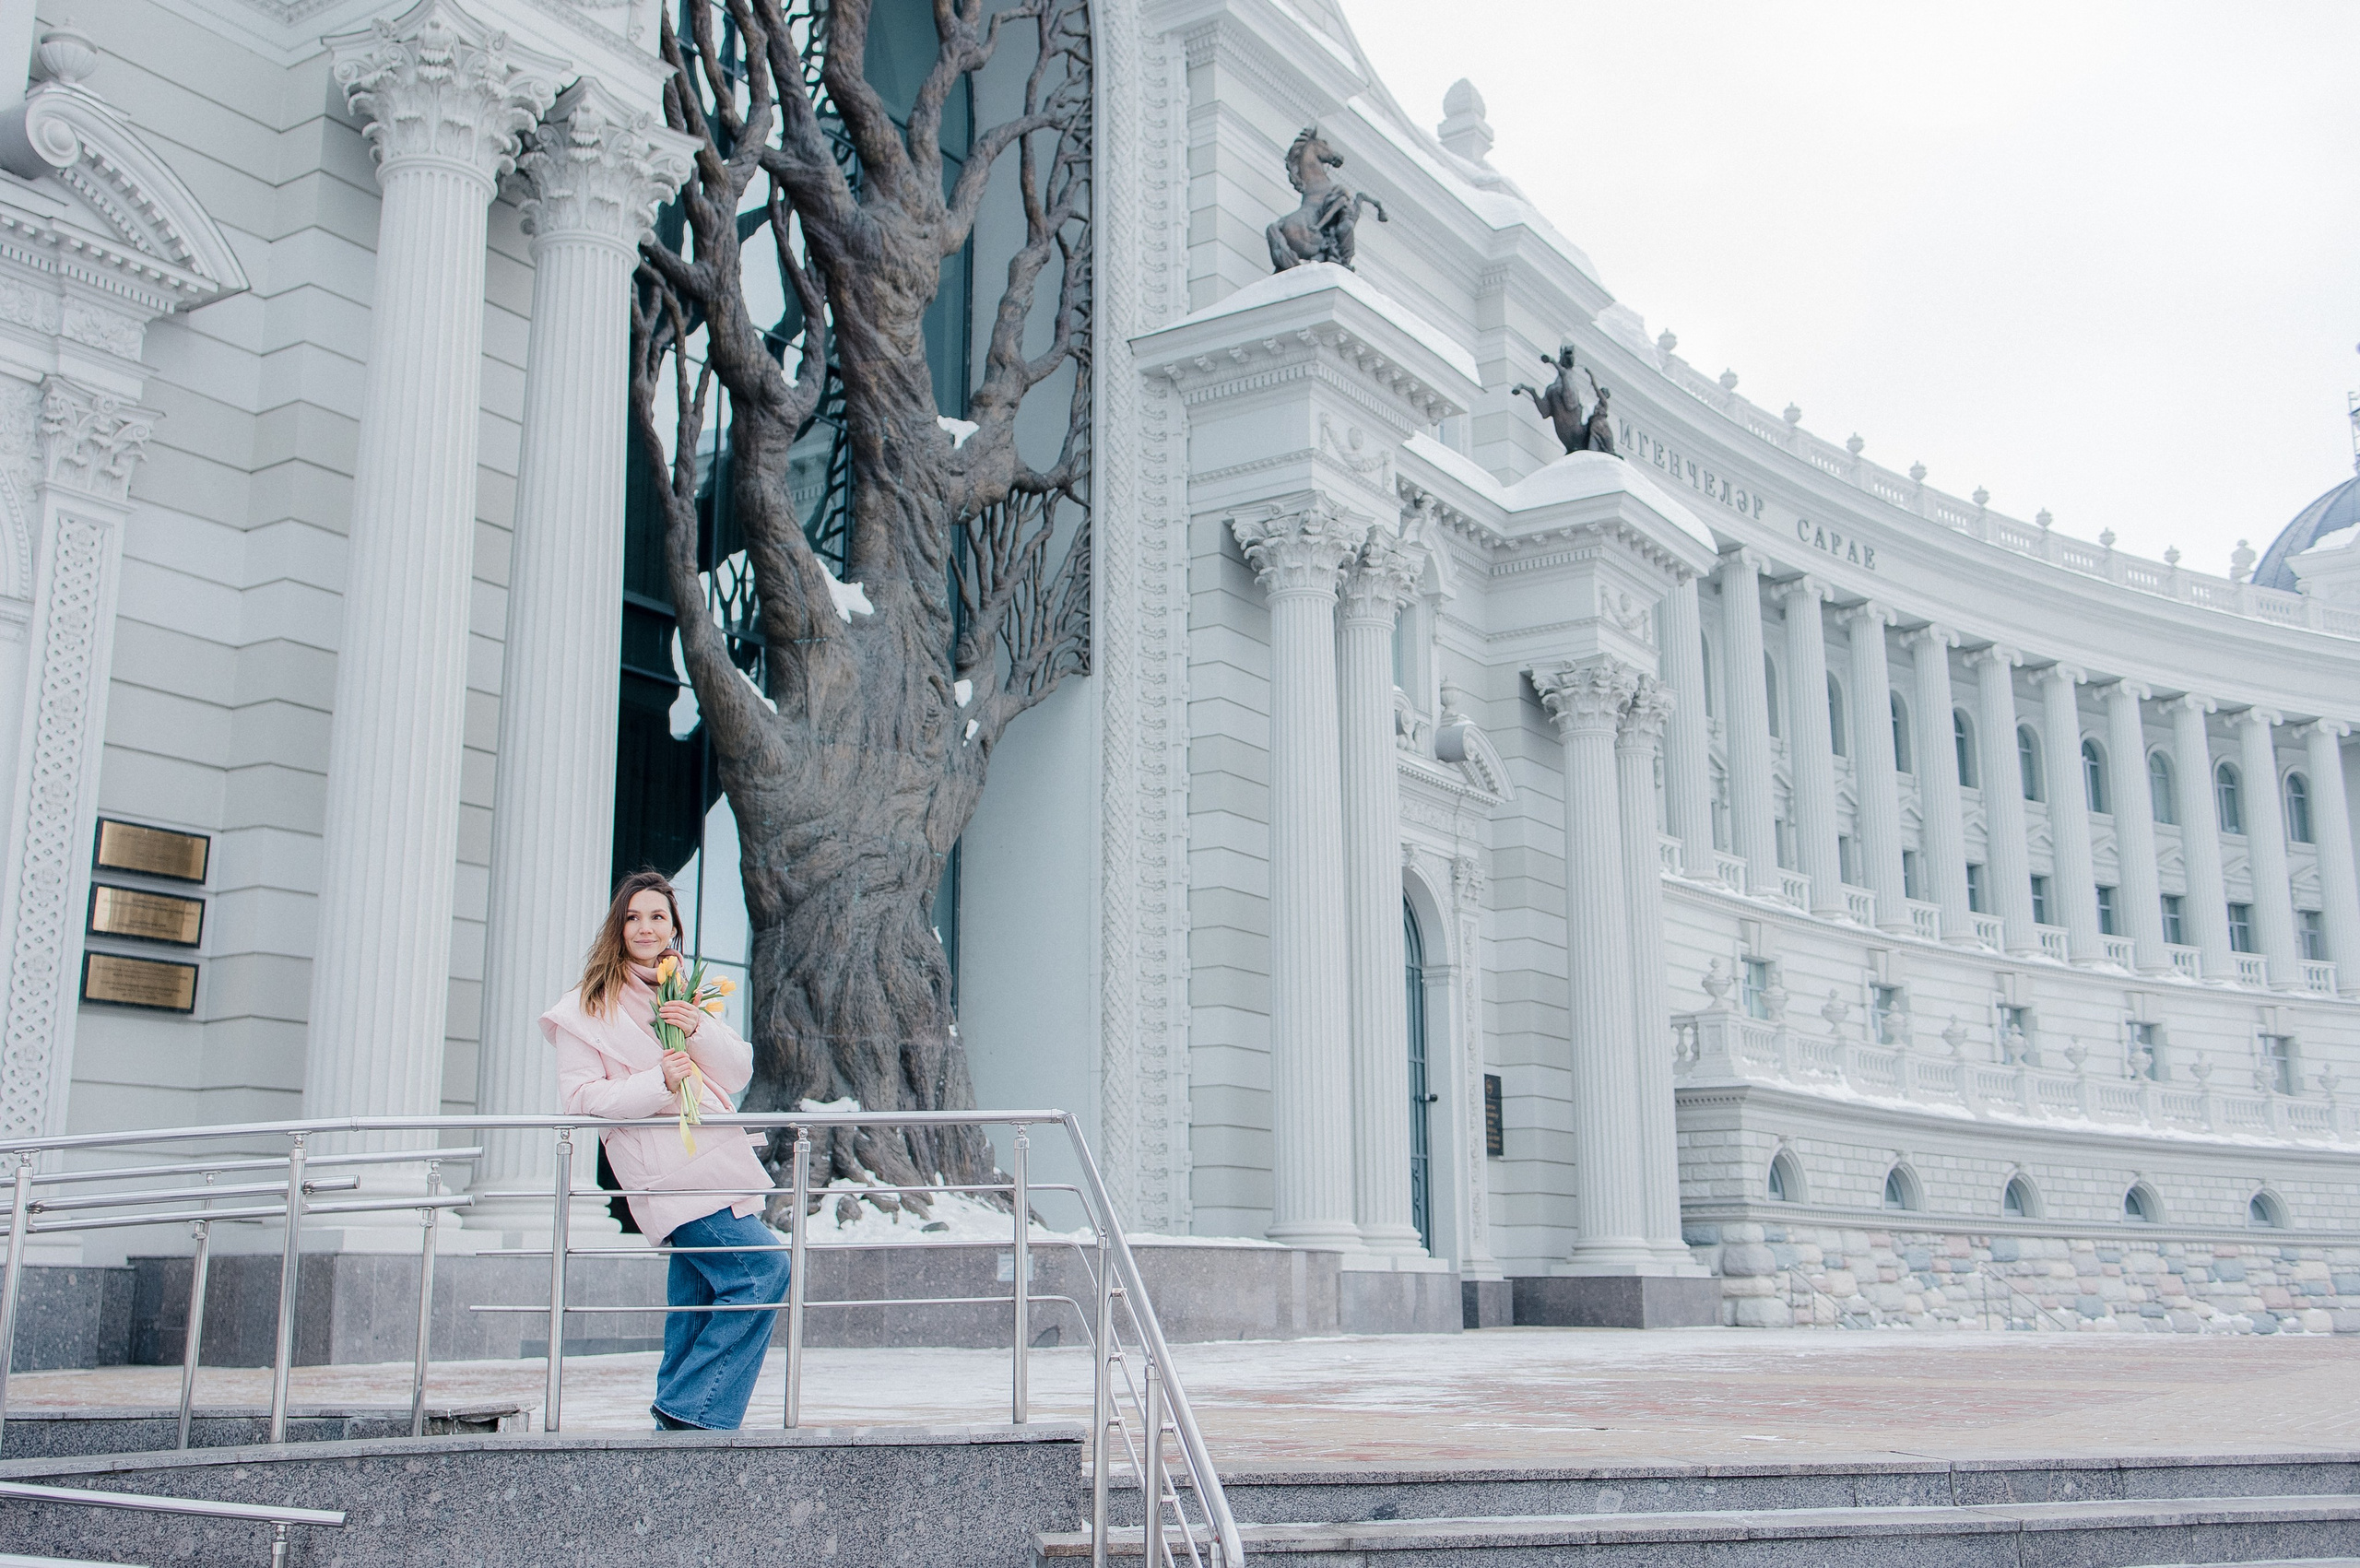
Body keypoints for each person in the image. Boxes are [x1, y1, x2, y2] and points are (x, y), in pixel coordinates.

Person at [542, 869, 787, 1432]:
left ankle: (674, 1436)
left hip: (716, 1161)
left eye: (657, 916)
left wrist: (694, 1026)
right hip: (667, 1172)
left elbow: (738, 1070)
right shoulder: (586, 1007)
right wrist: (658, 1080)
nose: (645, 928)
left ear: (674, 925)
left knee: (698, 1298)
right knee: (763, 1273)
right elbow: (579, 1099)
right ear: (618, 927)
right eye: (632, 917)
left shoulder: (685, 992)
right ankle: (695, 1413)